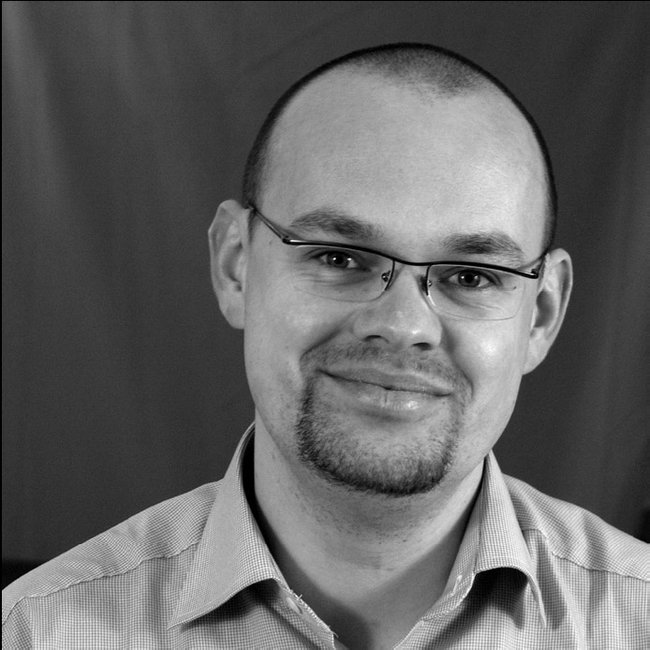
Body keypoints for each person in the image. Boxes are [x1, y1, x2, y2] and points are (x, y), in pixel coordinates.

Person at [2, 43, 647, 649]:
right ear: (236, 265)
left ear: (541, 313)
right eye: (340, 258)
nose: (403, 325)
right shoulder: (35, 631)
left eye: (471, 277)